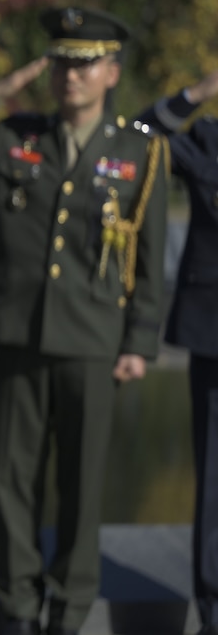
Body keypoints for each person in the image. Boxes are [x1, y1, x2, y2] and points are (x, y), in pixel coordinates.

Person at [0, 7, 168, 635]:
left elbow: (147, 259)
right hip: (20, 332)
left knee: (81, 482)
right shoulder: (17, 136)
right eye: (63, 62)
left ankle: (68, 609)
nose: (71, 75)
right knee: (14, 480)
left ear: (111, 73)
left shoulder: (139, 151)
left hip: (94, 339)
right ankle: (16, 604)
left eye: (85, 64)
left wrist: (139, 342)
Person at [134, 68, 218, 635]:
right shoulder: (208, 138)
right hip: (215, 335)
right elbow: (138, 134)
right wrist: (198, 91)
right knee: (215, 487)